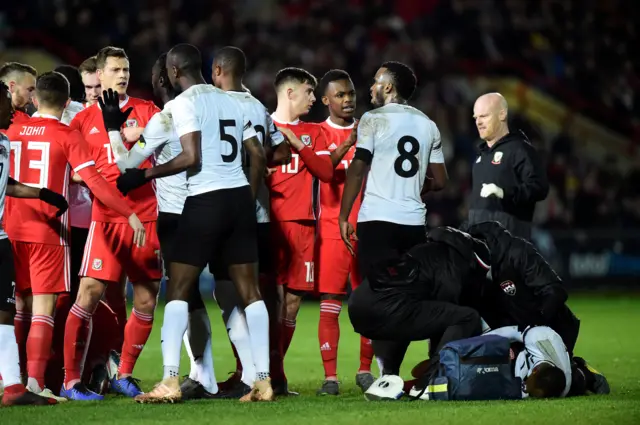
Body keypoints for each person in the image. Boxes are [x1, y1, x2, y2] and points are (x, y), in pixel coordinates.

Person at [117, 43, 272, 403]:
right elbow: (259, 154)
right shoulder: (233, 100)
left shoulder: (182, 104)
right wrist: (246, 201)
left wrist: (145, 175)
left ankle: (170, 380)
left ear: (173, 72)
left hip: (206, 198)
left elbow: (191, 156)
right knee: (250, 292)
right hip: (237, 199)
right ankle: (262, 381)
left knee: (178, 289)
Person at [4, 71, 144, 401]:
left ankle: (14, 377)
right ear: (68, 102)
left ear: (35, 99)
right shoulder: (67, 135)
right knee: (43, 309)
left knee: (17, 307)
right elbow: (96, 185)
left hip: (10, 229)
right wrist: (129, 212)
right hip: (49, 232)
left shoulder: (11, 128)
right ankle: (36, 383)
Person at [64, 46, 161, 400]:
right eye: (115, 69)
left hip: (146, 215)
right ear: (99, 74)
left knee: (147, 298)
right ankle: (71, 380)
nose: (122, 75)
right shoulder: (80, 122)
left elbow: (158, 143)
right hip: (105, 219)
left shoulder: (147, 110)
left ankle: (124, 373)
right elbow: (82, 175)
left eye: (126, 68)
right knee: (88, 294)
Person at [207, 45, 290, 399]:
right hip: (259, 214)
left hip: (226, 209)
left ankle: (254, 374)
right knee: (256, 294)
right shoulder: (256, 106)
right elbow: (282, 150)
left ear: (217, 71)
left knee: (228, 293)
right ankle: (265, 374)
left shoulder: (211, 105)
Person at [268, 67, 355, 394]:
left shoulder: (312, 131)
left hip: (304, 224)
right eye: (308, 92)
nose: (312, 99)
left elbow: (323, 171)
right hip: (269, 222)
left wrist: (301, 144)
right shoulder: (263, 124)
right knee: (266, 303)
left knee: (291, 304)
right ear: (290, 93)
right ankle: (256, 373)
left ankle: (277, 376)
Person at [339, 61, 448, 279]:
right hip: (414, 224)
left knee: (376, 295)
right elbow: (441, 181)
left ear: (388, 87)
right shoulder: (429, 125)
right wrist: (412, 186)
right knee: (408, 295)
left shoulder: (373, 119)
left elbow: (358, 169)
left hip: (377, 221)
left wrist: (343, 216)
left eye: (375, 82)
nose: (371, 87)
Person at [348, 226, 490, 377]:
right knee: (468, 317)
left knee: (406, 317)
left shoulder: (423, 249)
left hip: (358, 307)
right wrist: (435, 355)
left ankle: (389, 377)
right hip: (389, 309)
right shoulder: (453, 263)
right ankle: (436, 376)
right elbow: (444, 319)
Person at [314, 69, 374, 395]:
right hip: (332, 226)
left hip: (367, 226)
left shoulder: (371, 129)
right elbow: (323, 173)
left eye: (351, 93)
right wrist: (348, 143)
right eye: (340, 95)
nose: (348, 100)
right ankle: (330, 377)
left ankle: (366, 370)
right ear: (326, 100)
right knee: (330, 301)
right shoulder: (319, 133)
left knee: (370, 300)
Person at [0, 80, 58, 406]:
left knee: (5, 312)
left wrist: (40, 193)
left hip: (2, 239)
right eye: (6, 103)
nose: (13, 110)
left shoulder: (4, 143)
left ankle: (13, 388)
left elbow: (6, 183)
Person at [465, 221, 580, 355]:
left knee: (550, 374)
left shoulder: (517, 252)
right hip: (516, 335)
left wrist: (535, 324)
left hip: (551, 328)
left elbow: (554, 291)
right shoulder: (474, 266)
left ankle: (580, 370)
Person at [467, 93, 549, 240]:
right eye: (476, 118)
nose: (478, 122)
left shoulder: (520, 150)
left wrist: (504, 193)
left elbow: (539, 187)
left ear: (502, 114)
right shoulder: (481, 157)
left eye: (484, 116)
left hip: (509, 246)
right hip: (482, 247)